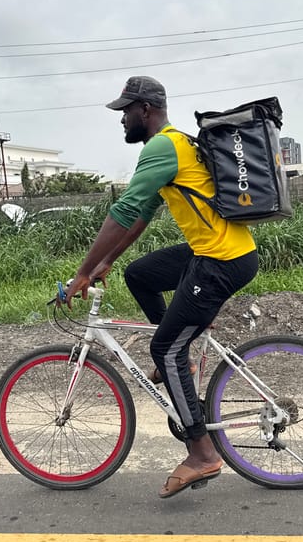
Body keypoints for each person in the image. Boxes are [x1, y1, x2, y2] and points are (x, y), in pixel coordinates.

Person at [64, 76, 258, 498]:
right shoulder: (178, 143)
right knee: (141, 275)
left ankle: (203, 455)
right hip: (219, 251)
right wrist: (107, 262)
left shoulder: (162, 146)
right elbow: (143, 213)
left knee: (164, 348)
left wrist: (82, 272)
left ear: (145, 111)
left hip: (220, 261)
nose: (122, 121)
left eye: (125, 112)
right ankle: (182, 360)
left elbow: (124, 209)